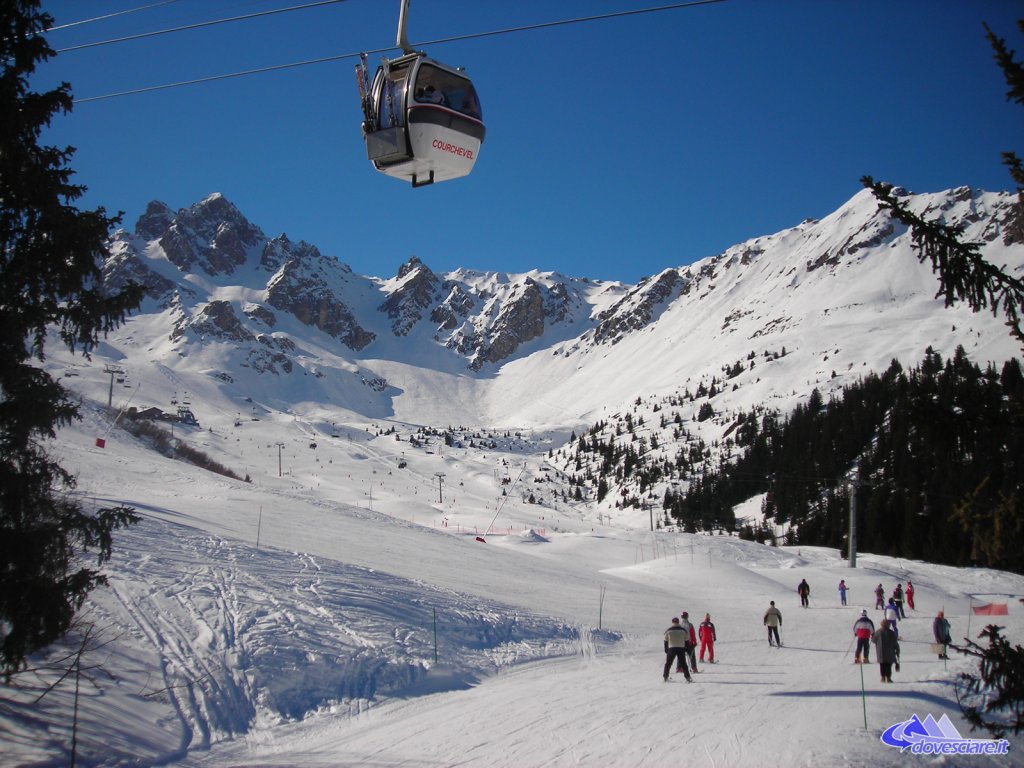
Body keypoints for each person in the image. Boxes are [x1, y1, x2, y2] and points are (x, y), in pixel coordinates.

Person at [663, 617, 692, 682]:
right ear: (678, 622)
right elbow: (687, 640)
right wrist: (687, 649)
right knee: (683, 663)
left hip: (671, 648)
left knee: (668, 663)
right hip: (681, 648)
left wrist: (666, 650)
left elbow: (665, 641)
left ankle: (665, 676)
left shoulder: (668, 630)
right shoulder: (683, 630)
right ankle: (688, 677)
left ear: (672, 622)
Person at [872, 618, 901, 683]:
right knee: (888, 665)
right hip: (890, 652)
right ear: (888, 625)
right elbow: (895, 642)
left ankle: (882, 677)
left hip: (880, 652)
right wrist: (897, 649)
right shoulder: (891, 633)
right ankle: (888, 678)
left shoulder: (878, 632)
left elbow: (873, 640)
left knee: (882, 665)